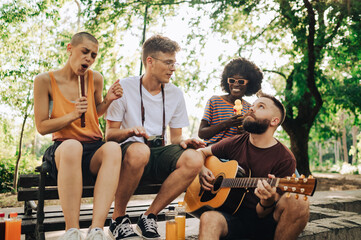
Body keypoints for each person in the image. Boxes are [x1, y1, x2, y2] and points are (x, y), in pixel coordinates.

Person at [106, 35, 205, 240]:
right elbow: (110, 136)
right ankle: (118, 219)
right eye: (168, 62)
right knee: (140, 150)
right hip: (130, 153)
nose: (173, 68)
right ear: (149, 62)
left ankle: (149, 215)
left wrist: (185, 142)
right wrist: (131, 131)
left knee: (195, 158)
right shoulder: (123, 88)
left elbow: (176, 137)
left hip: (158, 153)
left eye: (174, 62)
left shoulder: (175, 94)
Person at [34, 32, 123, 240]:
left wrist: (108, 101)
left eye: (93, 55)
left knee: (112, 148)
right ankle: (72, 231)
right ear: (69, 49)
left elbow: (93, 112)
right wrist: (72, 114)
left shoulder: (96, 78)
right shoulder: (44, 81)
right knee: (73, 145)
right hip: (64, 150)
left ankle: (96, 230)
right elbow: (42, 126)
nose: (89, 59)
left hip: (93, 149)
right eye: (85, 52)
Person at [197, 93, 310, 240]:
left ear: (274, 121)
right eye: (251, 106)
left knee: (300, 201)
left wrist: (267, 200)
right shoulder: (236, 142)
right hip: (231, 216)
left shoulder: (285, 159)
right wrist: (201, 169)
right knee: (208, 218)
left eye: (260, 106)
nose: (251, 109)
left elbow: (262, 213)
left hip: (264, 222)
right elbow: (201, 152)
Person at [198, 58, 263, 145]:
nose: (236, 84)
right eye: (232, 80)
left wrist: (244, 133)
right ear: (226, 81)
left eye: (241, 81)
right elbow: (201, 133)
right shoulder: (214, 101)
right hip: (212, 149)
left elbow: (252, 139)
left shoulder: (249, 108)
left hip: (236, 151)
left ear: (249, 84)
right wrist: (226, 124)